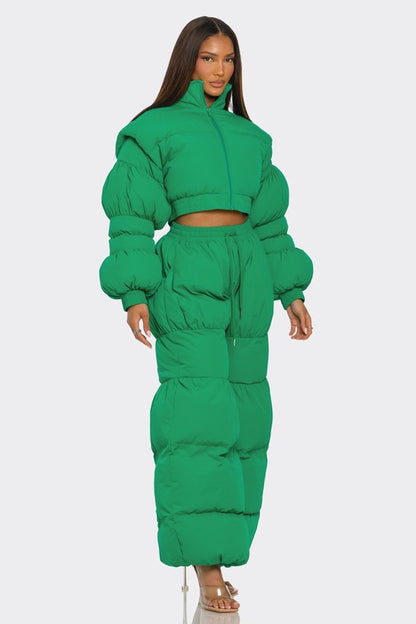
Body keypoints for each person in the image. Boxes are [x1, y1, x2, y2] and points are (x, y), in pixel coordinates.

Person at [98, 15, 314, 614]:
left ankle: (223, 549)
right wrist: (135, 292)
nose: (220, 70)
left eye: (229, 59)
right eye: (208, 58)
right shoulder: (153, 130)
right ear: (187, 61)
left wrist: (291, 291)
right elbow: (131, 216)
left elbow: (271, 223)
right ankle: (206, 566)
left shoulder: (252, 138)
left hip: (248, 273)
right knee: (199, 418)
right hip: (187, 272)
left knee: (246, 418)